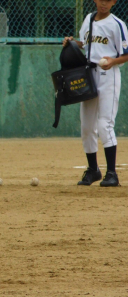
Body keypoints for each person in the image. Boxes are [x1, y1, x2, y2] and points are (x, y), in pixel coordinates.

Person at [63, 0, 128, 186]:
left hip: (109, 75)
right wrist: (71, 43)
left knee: (104, 123)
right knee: (87, 124)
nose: (104, 3)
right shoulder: (89, 19)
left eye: (108, 0)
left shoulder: (117, 24)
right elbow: (84, 44)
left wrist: (113, 61)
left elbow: (126, 53)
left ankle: (112, 174)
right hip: (89, 74)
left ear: (114, 1)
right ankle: (93, 170)